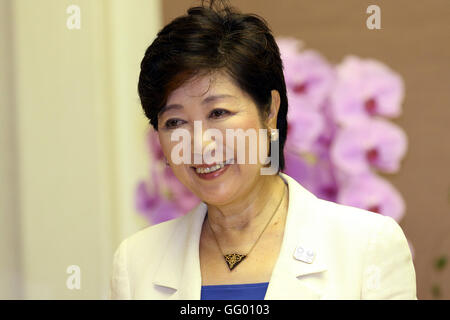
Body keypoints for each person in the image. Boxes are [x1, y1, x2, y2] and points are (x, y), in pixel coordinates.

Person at [110, 0, 416, 300]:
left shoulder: (367, 246)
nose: (200, 145)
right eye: (175, 121)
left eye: (218, 113)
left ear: (269, 111)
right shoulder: (137, 263)